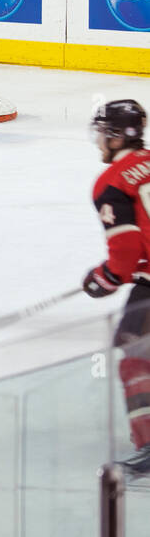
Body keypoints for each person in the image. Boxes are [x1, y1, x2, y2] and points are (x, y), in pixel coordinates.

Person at [82, 99, 150, 475]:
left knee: (135, 355)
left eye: (101, 133)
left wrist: (103, 278)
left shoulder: (113, 181)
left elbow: (124, 254)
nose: (97, 142)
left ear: (114, 135)